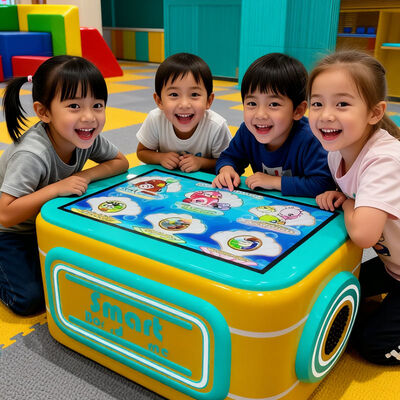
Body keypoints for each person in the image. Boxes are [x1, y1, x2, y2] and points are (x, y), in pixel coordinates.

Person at [0, 55, 129, 316]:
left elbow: (120, 162)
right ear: (43, 112)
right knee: (31, 299)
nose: (89, 117)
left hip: (45, 223)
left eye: (97, 105)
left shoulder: (85, 136)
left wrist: (85, 176)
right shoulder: (32, 154)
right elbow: (5, 214)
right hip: (10, 233)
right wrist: (57, 188)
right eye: (74, 106)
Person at [308, 50, 400, 365]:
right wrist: (341, 196)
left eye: (342, 104)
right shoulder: (337, 151)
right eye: (317, 103)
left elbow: (363, 234)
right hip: (392, 267)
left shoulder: (385, 158)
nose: (325, 115)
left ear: (375, 113)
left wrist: (348, 202)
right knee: (327, 298)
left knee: (372, 345)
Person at [212, 53, 335, 196]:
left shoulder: (311, 138)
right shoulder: (247, 131)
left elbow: (324, 183)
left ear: (298, 111)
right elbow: (229, 157)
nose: (260, 115)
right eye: (252, 103)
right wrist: (227, 170)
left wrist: (275, 182)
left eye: (274, 104)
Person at [136, 52, 231, 173]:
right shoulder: (155, 119)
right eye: (174, 94)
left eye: (194, 94)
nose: (184, 104)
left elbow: (227, 162)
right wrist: (160, 157)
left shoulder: (216, 126)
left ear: (209, 100)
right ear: (159, 101)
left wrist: (201, 163)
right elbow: (142, 152)